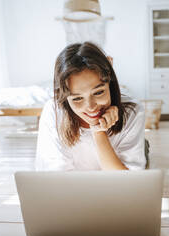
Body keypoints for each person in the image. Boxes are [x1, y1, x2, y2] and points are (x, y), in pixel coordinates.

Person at [35, 42, 146, 171]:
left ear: (110, 84)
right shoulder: (53, 112)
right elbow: (56, 179)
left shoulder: (133, 111)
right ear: (66, 98)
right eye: (77, 98)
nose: (91, 107)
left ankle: (145, 147)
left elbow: (128, 182)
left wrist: (98, 132)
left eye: (99, 92)